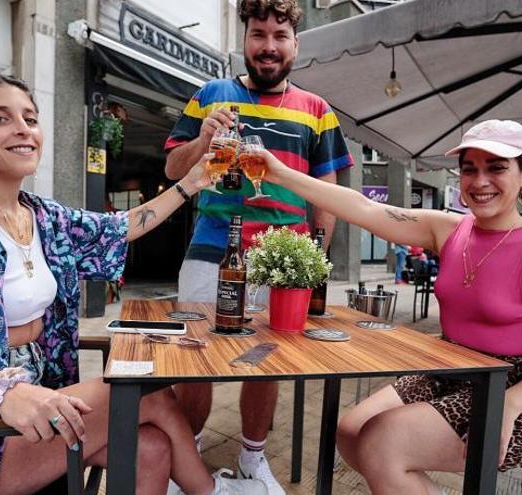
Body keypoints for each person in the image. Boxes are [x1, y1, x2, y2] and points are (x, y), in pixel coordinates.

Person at [0, 73, 268, 495]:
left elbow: (119, 228)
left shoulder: (42, 216)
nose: (23, 129)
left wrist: (190, 183)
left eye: (29, 118)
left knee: (151, 448)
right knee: (147, 395)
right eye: (0, 119)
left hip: (44, 396)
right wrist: (2, 392)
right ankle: (212, 492)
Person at [257, 119, 522, 494]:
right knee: (351, 432)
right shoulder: (448, 229)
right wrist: (280, 172)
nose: (479, 181)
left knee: (382, 442)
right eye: (469, 169)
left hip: (512, 389)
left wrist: (510, 404)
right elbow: (364, 208)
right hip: (445, 371)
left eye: (496, 168)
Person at [163, 1, 353, 492]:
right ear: (243, 39)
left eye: (279, 36)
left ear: (296, 43)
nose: (268, 46)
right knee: (194, 358)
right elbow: (171, 170)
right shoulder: (210, 95)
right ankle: (188, 451)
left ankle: (251, 459)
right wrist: (203, 138)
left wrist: (313, 262)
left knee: (267, 362)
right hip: (211, 248)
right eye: (258, 34)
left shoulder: (317, 110)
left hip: (283, 260)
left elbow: (326, 194)